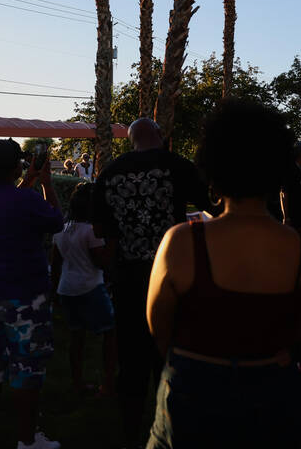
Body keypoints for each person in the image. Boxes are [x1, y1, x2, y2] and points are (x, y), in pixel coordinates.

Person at [145, 100, 301, 449]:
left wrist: (187, 359)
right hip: (273, 387)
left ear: (212, 166)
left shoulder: (182, 242)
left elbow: (158, 324)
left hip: (192, 387)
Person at [91, 118, 211, 448]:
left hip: (128, 279)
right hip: (172, 276)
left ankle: (131, 430)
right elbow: (210, 206)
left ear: (130, 141)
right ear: (160, 136)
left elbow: (100, 230)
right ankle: (170, 427)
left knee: (131, 358)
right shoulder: (177, 166)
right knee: (171, 353)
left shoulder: (110, 172)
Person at [0, 139, 64, 449]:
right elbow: (56, 221)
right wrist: (46, 185)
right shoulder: (27, 201)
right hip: (25, 295)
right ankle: (27, 439)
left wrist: (28, 182)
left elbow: (7, 201)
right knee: (27, 368)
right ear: (16, 166)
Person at [52, 182, 117, 396]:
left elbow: (56, 264)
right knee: (110, 333)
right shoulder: (91, 231)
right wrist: (114, 242)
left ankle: (77, 382)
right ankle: (107, 383)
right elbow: (102, 261)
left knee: (76, 337)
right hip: (90, 286)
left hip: (67, 288)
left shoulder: (61, 228)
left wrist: (54, 293)